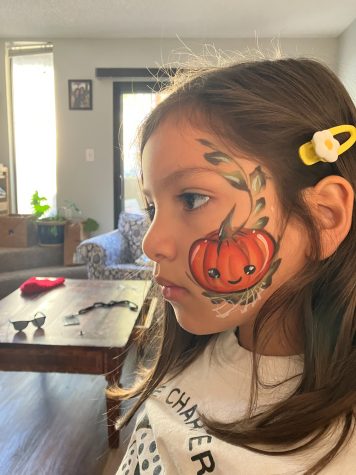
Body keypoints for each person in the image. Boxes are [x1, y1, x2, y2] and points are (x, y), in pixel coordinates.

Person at [111, 57, 356, 474]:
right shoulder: (193, 354)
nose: (152, 243)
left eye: (191, 199)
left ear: (323, 217)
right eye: (152, 206)